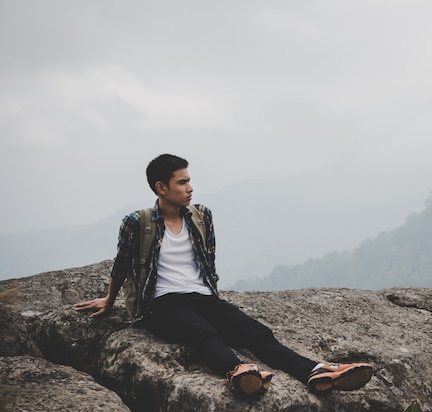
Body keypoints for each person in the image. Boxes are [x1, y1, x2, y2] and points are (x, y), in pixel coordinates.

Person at [75, 154, 372, 396]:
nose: (190, 188)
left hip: (202, 296)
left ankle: (315, 371)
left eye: (190, 181)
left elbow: (209, 261)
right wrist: (110, 300)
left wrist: (213, 297)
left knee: (255, 332)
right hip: (161, 303)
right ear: (161, 187)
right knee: (200, 331)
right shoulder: (137, 222)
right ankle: (238, 371)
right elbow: (122, 264)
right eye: (182, 182)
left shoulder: (201, 216)